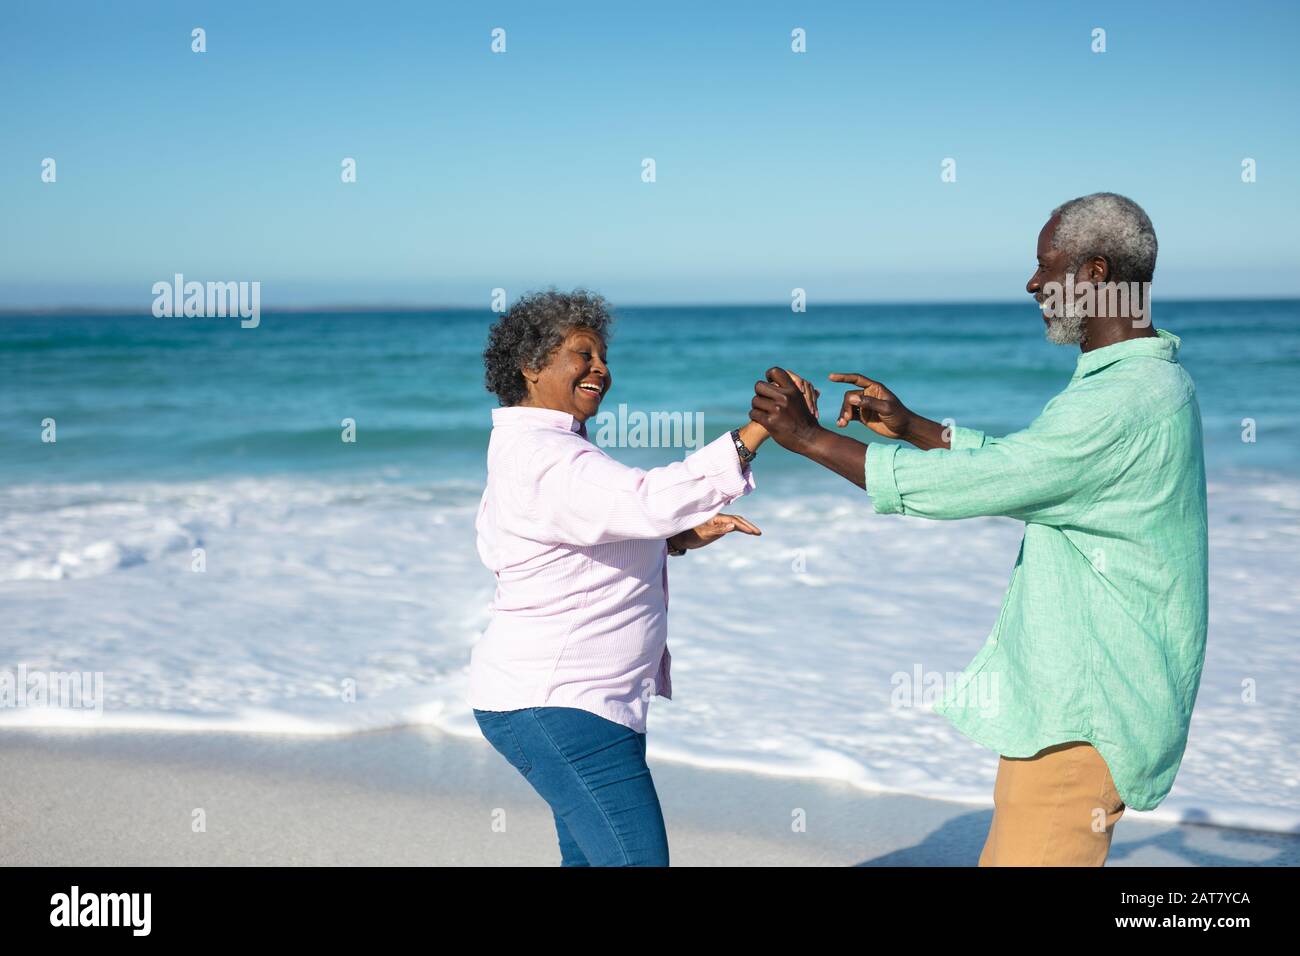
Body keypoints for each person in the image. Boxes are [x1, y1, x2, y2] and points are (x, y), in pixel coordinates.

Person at [752, 193, 1208, 866]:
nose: (1032, 284)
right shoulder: (1138, 386)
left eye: (1045, 267)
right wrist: (916, 428)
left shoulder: (1125, 401)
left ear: (1096, 274)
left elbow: (983, 484)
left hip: (1085, 716)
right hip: (1073, 711)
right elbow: (1033, 470)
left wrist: (810, 440)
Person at [470, 289, 817, 866]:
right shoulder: (545, 457)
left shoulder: (539, 449)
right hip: (560, 703)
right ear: (531, 367)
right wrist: (759, 432)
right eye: (583, 354)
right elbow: (647, 499)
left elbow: (573, 537)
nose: (601, 369)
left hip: (569, 700)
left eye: (603, 356)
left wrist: (675, 538)